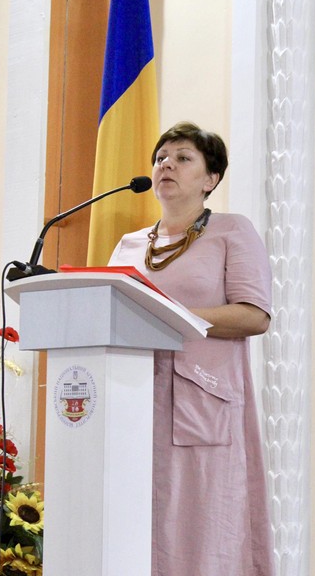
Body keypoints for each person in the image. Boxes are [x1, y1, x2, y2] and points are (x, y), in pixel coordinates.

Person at [108, 121, 275, 576]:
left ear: (210, 179)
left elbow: (254, 315)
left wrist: (171, 314)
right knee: (134, 526)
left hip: (202, 403)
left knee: (201, 529)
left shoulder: (232, 230)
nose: (167, 165)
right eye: (161, 158)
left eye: (183, 158)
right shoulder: (128, 245)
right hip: (131, 402)